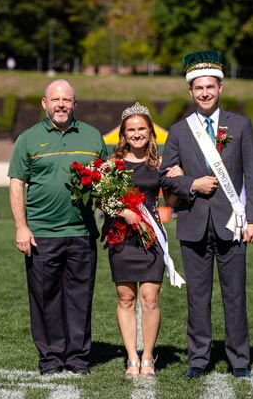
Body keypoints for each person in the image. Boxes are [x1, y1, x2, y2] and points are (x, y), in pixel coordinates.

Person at [160, 51, 253, 379]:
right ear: (190, 92)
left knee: (235, 295)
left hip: (232, 224)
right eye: (198, 88)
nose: (204, 93)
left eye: (210, 87)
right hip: (192, 223)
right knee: (197, 297)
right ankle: (199, 359)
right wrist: (192, 183)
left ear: (220, 88)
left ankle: (239, 359)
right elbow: (165, 176)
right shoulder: (178, 130)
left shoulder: (241, 125)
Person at [8, 79, 108, 375]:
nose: (61, 105)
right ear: (44, 103)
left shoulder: (92, 137)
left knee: (79, 298)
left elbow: (106, 182)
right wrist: (21, 227)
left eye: (66, 100)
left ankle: (77, 357)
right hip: (42, 235)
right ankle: (51, 358)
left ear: (75, 104)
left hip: (82, 233)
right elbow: (16, 184)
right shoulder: (27, 139)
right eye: (55, 100)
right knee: (45, 298)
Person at [102, 102, 183, 379]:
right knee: (126, 298)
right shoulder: (113, 165)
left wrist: (177, 178)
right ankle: (131, 358)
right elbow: (102, 200)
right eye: (131, 130)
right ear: (124, 134)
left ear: (150, 132)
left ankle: (148, 357)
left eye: (142, 129)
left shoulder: (160, 163)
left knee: (150, 299)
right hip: (122, 238)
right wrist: (122, 211)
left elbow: (170, 201)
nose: (137, 134)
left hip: (151, 239)